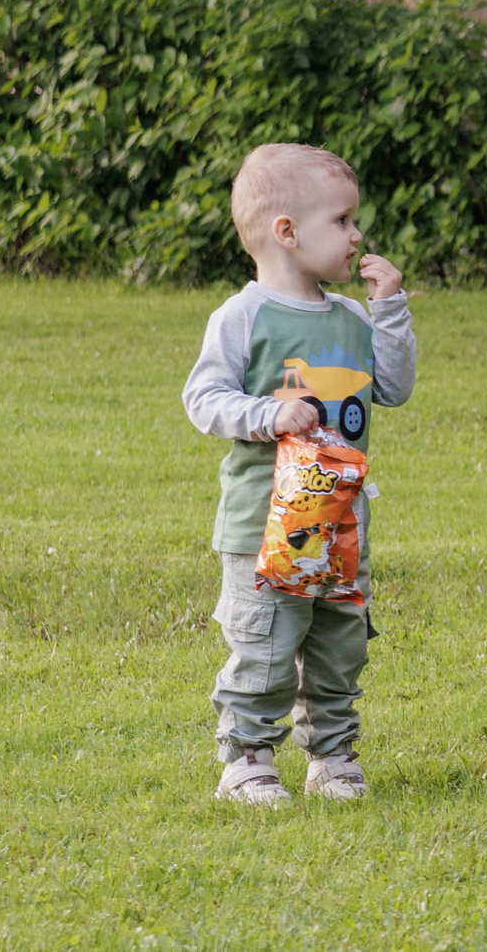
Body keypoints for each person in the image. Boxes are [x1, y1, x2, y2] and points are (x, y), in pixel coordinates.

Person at [184, 143, 416, 806]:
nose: (356, 233)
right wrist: (268, 412)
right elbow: (203, 399)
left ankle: (333, 756)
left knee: (339, 641)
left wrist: (389, 310)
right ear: (287, 232)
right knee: (265, 640)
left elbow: (393, 388)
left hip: (341, 522)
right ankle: (247, 758)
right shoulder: (244, 316)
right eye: (342, 219)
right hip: (265, 524)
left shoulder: (349, 317)